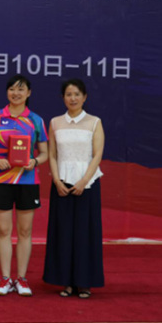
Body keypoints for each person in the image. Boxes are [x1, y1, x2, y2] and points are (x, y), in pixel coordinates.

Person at [0, 74, 48, 297]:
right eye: (12, 89)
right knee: (3, 230)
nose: (16, 93)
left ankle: (22, 279)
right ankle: (5, 278)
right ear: (7, 92)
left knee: (25, 231)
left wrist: (34, 162)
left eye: (21, 89)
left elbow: (45, 153)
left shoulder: (36, 120)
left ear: (29, 93)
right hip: (0, 180)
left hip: (27, 181)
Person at [43, 79, 105, 299]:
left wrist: (84, 181)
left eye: (77, 94)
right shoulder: (55, 122)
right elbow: (52, 155)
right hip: (61, 184)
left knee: (85, 234)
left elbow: (97, 155)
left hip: (87, 185)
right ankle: (66, 282)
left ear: (84, 97)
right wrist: (57, 181)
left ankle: (84, 282)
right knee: (63, 233)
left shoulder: (95, 122)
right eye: (68, 94)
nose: (73, 98)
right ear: (63, 98)